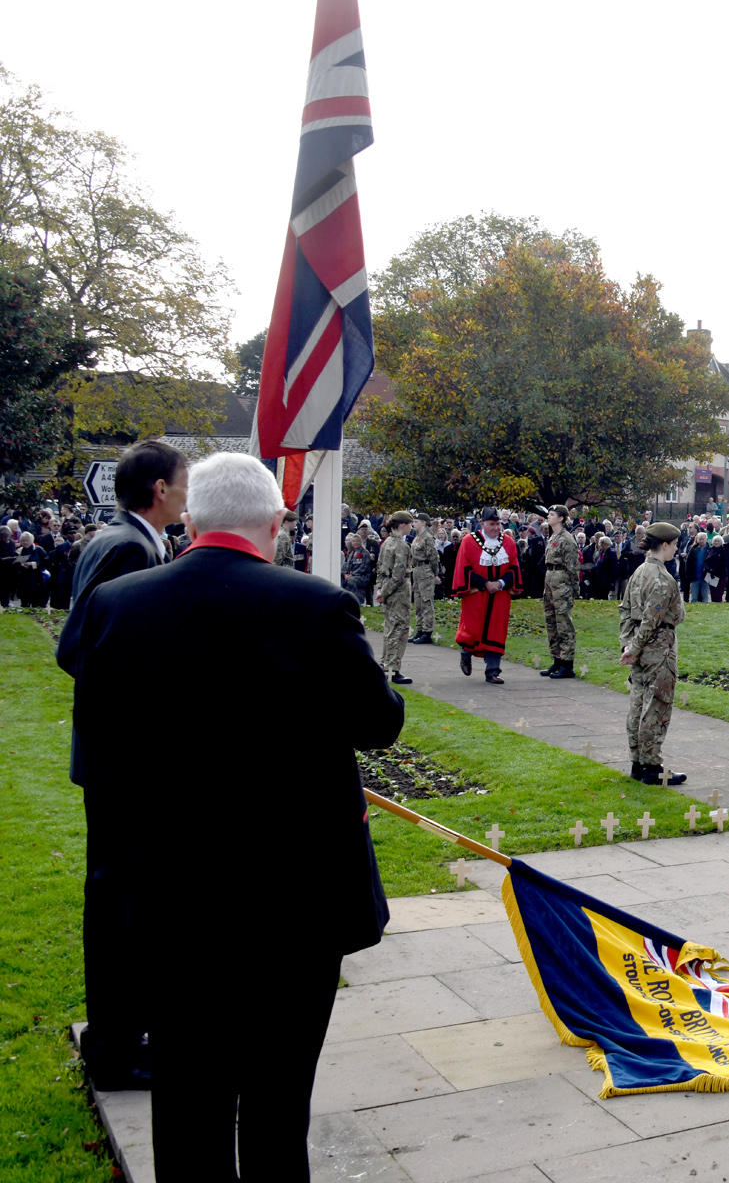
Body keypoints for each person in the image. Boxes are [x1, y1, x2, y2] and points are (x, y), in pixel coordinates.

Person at [67, 452, 403, 1178]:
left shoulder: (117, 604)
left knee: (187, 1099)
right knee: (279, 1103)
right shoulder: (313, 605)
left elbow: (98, 745)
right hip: (295, 897)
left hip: (169, 889)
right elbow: (379, 722)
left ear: (191, 519)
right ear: (277, 522)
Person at [55, 439, 187, 1092]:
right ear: (159, 490)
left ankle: (122, 1033)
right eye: (182, 483)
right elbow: (79, 647)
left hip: (110, 757)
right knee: (119, 906)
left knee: (121, 900)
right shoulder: (130, 550)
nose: (187, 494)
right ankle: (115, 1045)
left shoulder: (120, 541)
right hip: (123, 762)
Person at [620, 522, 687, 785]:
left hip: (640, 646)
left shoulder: (639, 572)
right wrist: (634, 648)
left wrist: (628, 644)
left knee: (638, 704)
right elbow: (652, 619)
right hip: (658, 648)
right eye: (675, 544)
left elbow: (625, 610)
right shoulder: (661, 578)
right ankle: (651, 767)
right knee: (655, 707)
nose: (676, 549)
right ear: (666, 545)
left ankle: (638, 762)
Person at [452, 507, 523, 684]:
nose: (496, 528)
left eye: (498, 524)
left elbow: (514, 567)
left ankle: (492, 671)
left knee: (497, 630)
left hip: (500, 595)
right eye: (492, 524)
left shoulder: (508, 542)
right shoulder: (469, 541)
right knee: (472, 628)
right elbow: (464, 567)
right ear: (482, 524)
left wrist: (500, 583)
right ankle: (465, 654)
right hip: (476, 594)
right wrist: (485, 584)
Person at [373, 511, 414, 685]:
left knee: (390, 628)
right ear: (403, 525)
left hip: (389, 591)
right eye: (409, 524)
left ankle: (386, 664)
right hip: (398, 593)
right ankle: (392, 668)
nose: (411, 527)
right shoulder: (401, 546)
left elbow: (380, 568)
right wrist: (385, 592)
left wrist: (381, 589)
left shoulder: (386, 543)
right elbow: (398, 574)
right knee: (399, 630)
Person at [540, 504, 580, 678]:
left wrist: (574, 588)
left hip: (562, 580)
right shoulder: (553, 536)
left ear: (562, 518)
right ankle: (557, 660)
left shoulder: (567, 539)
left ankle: (567, 664)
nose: (548, 517)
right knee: (551, 621)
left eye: (552, 514)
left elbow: (572, 566)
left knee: (564, 623)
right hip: (550, 578)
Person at [408, 514, 441, 644]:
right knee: (418, 601)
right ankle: (420, 629)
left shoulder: (427, 538)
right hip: (416, 570)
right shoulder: (417, 537)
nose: (413, 524)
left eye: (416, 521)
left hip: (425, 569)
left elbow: (433, 556)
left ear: (423, 522)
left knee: (426, 601)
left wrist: (435, 573)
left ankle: (427, 631)